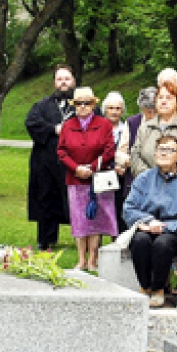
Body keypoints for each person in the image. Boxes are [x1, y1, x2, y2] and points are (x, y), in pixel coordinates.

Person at [123, 135, 177, 308]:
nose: (163, 153)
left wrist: (165, 226)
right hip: (147, 227)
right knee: (140, 240)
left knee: (162, 243)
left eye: (169, 150)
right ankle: (145, 286)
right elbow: (129, 208)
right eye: (160, 149)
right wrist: (149, 222)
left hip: (176, 234)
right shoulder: (144, 179)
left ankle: (158, 289)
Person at [57, 86, 117, 271]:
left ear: (93, 104)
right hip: (75, 180)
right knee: (79, 220)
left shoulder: (104, 124)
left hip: (97, 179)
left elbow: (109, 150)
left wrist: (91, 168)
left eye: (87, 103)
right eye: (79, 103)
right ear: (74, 105)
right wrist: (76, 168)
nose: (83, 106)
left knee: (96, 220)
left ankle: (93, 258)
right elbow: (61, 151)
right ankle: (81, 259)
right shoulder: (68, 125)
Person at [26, 64, 76, 250]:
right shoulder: (42, 105)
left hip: (72, 162)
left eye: (67, 79)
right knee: (45, 198)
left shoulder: (83, 105)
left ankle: (82, 240)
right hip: (45, 161)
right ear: (54, 82)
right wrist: (54, 129)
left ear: (73, 81)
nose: (63, 83)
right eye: (59, 79)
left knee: (73, 199)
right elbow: (31, 123)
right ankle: (46, 239)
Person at [129, 81, 177, 179]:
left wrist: (169, 176)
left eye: (168, 98)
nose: (163, 101)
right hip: (148, 186)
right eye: (160, 97)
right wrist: (151, 178)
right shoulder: (144, 127)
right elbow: (135, 155)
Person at [102, 91, 131, 232]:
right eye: (111, 108)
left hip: (122, 176)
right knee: (102, 213)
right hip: (102, 176)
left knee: (120, 210)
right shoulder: (98, 128)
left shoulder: (127, 128)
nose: (114, 112)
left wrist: (122, 166)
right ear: (105, 110)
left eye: (118, 108)